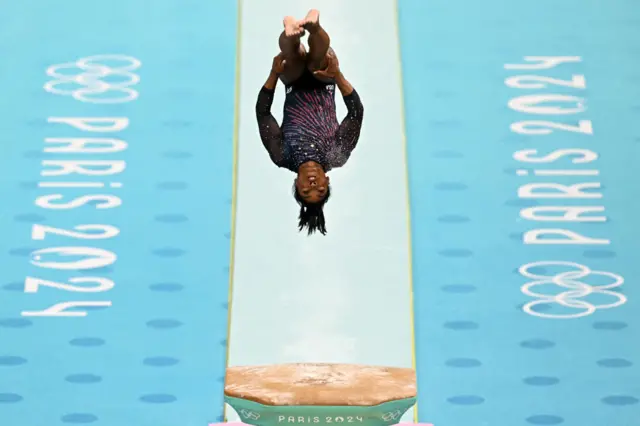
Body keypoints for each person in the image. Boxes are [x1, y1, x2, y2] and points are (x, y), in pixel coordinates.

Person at [255, 9, 364, 236]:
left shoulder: (282, 155)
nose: (313, 185)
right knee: (318, 60)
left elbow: (263, 114)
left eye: (306, 192)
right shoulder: (336, 155)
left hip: (293, 82)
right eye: (321, 189)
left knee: (291, 57)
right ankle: (314, 27)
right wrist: (337, 75)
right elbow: (355, 113)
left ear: (296, 184)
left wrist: (274, 74)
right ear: (327, 180)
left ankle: (292, 34)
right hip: (323, 79)